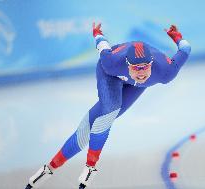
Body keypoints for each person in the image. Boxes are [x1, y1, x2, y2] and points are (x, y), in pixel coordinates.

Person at [24, 23, 191, 189]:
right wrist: (97, 32)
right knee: (109, 110)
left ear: (152, 63)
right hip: (110, 76)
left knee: (98, 120)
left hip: (134, 87)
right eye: (136, 68)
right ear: (127, 64)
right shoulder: (111, 63)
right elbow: (102, 44)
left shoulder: (165, 71)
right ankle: (85, 167)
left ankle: (50, 168)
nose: (141, 73)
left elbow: (185, 49)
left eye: (145, 67)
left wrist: (176, 37)